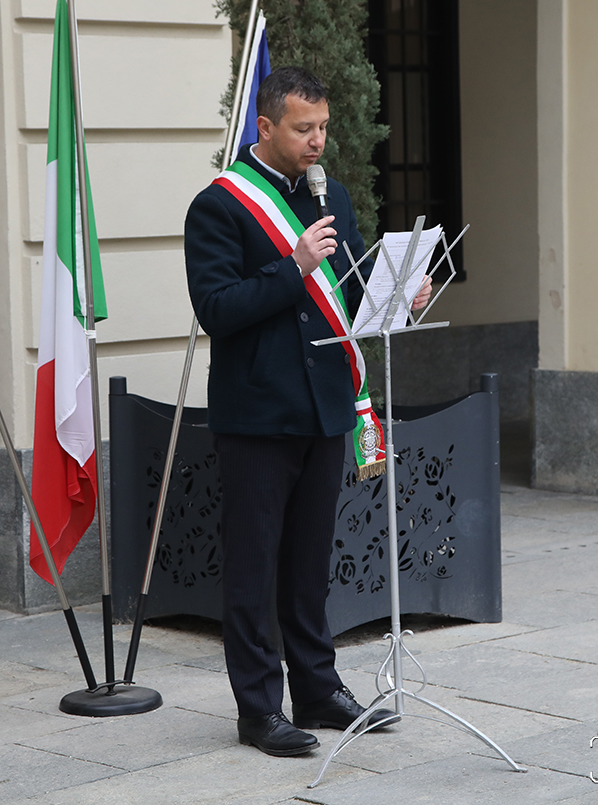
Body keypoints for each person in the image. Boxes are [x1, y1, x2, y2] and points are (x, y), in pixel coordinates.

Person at [184, 66, 430, 757]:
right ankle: (258, 708)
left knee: (309, 563)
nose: (318, 140)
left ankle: (317, 688)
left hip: (326, 409)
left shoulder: (334, 197)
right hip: (258, 414)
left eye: (323, 127)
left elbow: (347, 297)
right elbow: (217, 310)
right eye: (303, 128)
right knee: (254, 566)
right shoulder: (221, 205)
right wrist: (290, 267)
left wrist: (400, 296)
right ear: (265, 127)